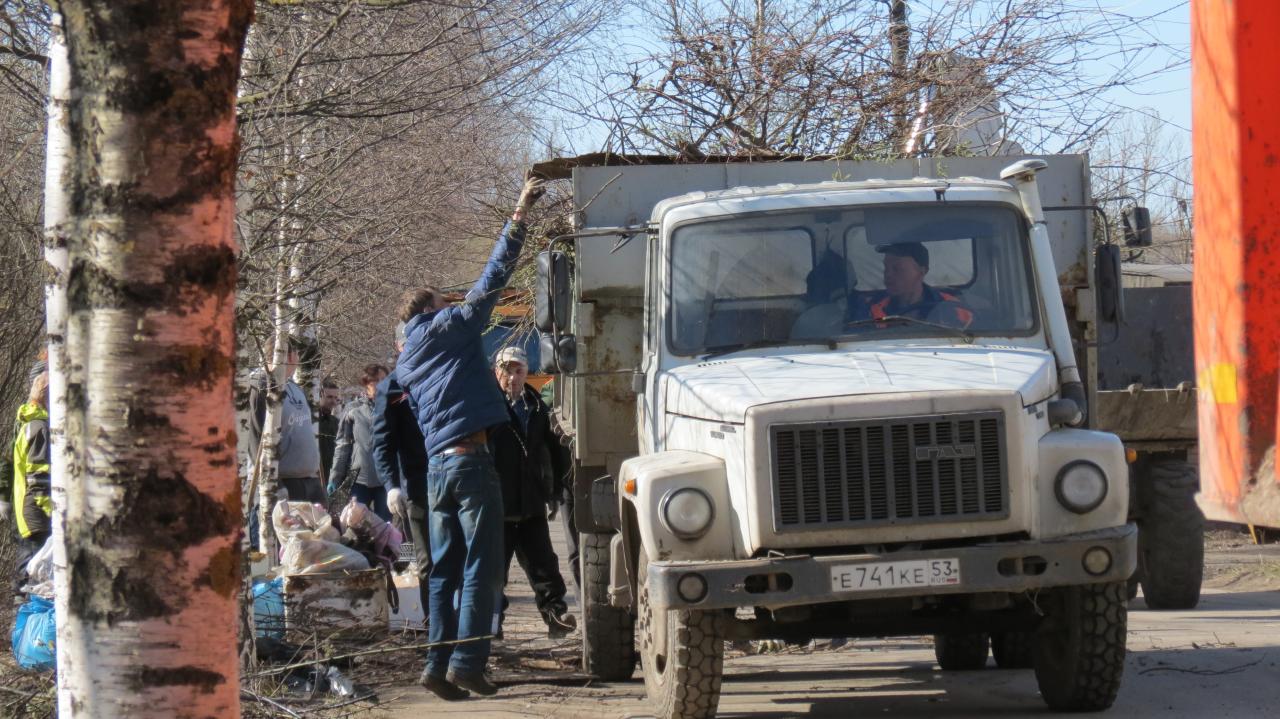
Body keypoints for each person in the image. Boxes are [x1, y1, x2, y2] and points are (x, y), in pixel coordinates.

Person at [397, 173, 545, 700]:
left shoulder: (407, 359)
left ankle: (436, 667)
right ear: (431, 310)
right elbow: (491, 282)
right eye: (443, 301)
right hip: (471, 463)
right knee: (484, 566)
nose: (450, 304)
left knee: (443, 572)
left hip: (438, 469)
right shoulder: (447, 328)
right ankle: (468, 661)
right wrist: (519, 217)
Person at [488, 347, 576, 638]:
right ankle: (491, 625)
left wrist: (554, 491)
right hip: (496, 505)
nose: (512, 377)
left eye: (518, 370)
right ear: (495, 372)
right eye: (506, 370)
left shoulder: (537, 407)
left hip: (531, 502)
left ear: (526, 373)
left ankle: (556, 615)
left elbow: (553, 453)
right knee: (492, 571)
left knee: (544, 565)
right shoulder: (486, 407)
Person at [373, 322, 430, 627]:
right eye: (408, 344)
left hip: (451, 475)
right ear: (398, 347)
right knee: (426, 559)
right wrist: (392, 486)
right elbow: (382, 443)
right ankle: (435, 625)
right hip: (418, 485)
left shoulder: (437, 374)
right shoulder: (391, 388)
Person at [248, 347, 325, 504]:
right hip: (283, 484)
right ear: (287, 355)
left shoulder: (293, 386)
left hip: (309, 480)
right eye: (297, 354)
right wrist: (276, 486)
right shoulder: (259, 385)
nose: (298, 359)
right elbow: (255, 439)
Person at [5, 368, 51, 597]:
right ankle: (32, 625)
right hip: (35, 512)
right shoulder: (39, 426)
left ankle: (25, 617)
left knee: (29, 570)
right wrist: (53, 509)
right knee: (33, 576)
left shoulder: (27, 422)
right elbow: (37, 474)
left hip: (26, 509)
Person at [851, 243, 973, 328]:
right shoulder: (870, 309)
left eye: (897, 268)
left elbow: (973, 339)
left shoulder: (952, 306)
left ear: (922, 271)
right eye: (886, 268)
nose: (888, 274)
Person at [329, 364, 392, 518]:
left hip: (386, 478)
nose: (380, 384)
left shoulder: (394, 408)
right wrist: (335, 476)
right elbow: (343, 445)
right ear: (365, 384)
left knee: (385, 528)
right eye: (375, 381)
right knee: (354, 524)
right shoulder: (353, 409)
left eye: (384, 380)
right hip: (358, 477)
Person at [317, 378, 341, 488]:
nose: (333, 401)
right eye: (329, 397)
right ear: (320, 395)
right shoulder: (310, 421)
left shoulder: (336, 423)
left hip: (329, 478)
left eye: (336, 398)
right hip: (312, 477)